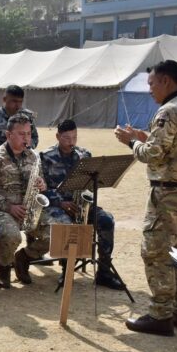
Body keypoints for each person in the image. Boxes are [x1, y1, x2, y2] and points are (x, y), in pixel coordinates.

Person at [115, 60, 177, 336]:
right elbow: (175, 144)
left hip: (169, 196)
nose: (150, 90)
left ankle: (160, 316)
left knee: (156, 254)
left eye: (152, 83)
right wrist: (143, 136)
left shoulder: (168, 111)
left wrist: (131, 142)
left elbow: (152, 154)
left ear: (166, 81)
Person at [40, 119, 123, 290]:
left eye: (74, 138)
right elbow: (41, 190)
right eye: (67, 138)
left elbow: (91, 185)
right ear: (57, 136)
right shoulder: (45, 157)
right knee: (68, 227)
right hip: (58, 205)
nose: (71, 142)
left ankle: (104, 272)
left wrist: (86, 200)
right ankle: (67, 270)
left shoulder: (84, 155)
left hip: (81, 204)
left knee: (107, 220)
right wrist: (61, 202)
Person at [0, 114, 49, 289]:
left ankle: (24, 258)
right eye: (21, 134)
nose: (26, 138)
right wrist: (9, 207)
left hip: (29, 208)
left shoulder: (33, 156)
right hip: (2, 210)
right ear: (8, 135)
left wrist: (42, 184)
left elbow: (40, 180)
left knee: (54, 234)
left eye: (28, 133)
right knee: (13, 236)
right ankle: (3, 267)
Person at [0, 85, 39, 154]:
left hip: (25, 161)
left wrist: (26, 149)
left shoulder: (27, 116)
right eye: (14, 101)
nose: (18, 105)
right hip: (2, 162)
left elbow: (35, 137)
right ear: (4, 99)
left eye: (20, 102)